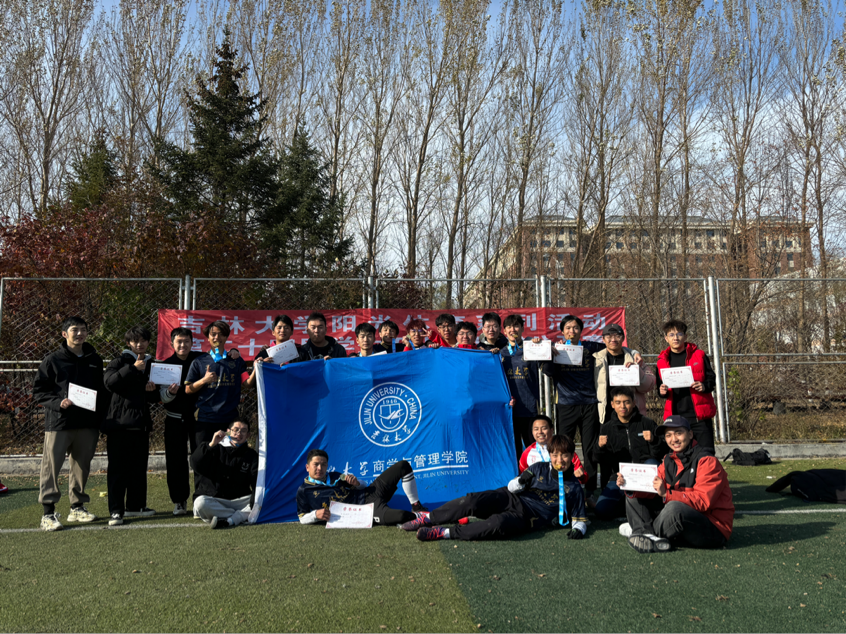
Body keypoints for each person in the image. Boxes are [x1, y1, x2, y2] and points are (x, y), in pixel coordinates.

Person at [404, 434, 588, 542]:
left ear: (572, 456)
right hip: (510, 497)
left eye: (564, 455)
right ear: (550, 455)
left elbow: (580, 519)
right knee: (472, 500)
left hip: (526, 517)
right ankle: (428, 518)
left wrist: (579, 529)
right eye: (555, 455)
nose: (559, 460)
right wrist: (521, 481)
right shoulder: (539, 467)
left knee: (496, 524)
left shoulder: (574, 488)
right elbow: (512, 487)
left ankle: (443, 532)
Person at [32, 316, 106, 531]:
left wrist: (101, 419)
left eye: (83, 329)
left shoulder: (95, 359)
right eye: (75, 330)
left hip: (87, 423)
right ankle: (48, 513)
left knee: (81, 466)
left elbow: (101, 391)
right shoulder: (52, 360)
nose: (79, 333)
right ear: (64, 334)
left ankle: (77, 507)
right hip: (60, 422)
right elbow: (39, 391)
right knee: (51, 466)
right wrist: (58, 403)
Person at [618, 416, 734, 553]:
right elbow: (651, 487)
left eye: (678, 433)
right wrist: (630, 485)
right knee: (633, 495)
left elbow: (703, 501)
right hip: (681, 520)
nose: (674, 439)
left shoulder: (707, 461)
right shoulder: (668, 459)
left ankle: (641, 531)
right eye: (668, 435)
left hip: (713, 527)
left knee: (674, 508)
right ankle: (645, 533)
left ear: (690, 434)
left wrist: (667, 494)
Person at [185, 320, 249, 504]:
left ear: (226, 337)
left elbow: (247, 382)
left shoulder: (236, 360)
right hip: (205, 419)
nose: (216, 337)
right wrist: (204, 380)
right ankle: (200, 498)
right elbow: (188, 389)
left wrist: (260, 365)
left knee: (230, 459)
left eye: (220, 334)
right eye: (213, 334)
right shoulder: (199, 362)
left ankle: (230, 497)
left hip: (229, 420)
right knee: (202, 458)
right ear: (207, 337)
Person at [102, 326, 160, 526]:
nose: (139, 344)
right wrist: (133, 368)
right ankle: (116, 511)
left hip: (140, 425)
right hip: (119, 425)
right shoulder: (118, 362)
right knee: (118, 470)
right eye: (135, 341)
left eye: (143, 340)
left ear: (148, 342)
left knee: (138, 468)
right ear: (128, 343)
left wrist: (152, 391)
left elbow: (153, 397)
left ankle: (136, 506)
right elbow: (109, 383)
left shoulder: (152, 364)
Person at [296, 449, 428, 525]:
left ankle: (417, 506)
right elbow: (302, 518)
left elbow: (363, 485)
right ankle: (427, 517)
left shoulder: (335, 475)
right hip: (364, 511)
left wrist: (357, 483)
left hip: (370, 493)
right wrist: (315, 515)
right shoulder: (304, 490)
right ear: (307, 467)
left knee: (403, 466)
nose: (320, 468)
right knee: (401, 516)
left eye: (323, 464)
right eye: (316, 464)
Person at [593, 387, 664, 521]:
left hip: (644, 474)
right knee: (601, 510)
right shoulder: (607, 428)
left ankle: (651, 505)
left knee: (652, 463)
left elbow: (661, 454)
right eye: (618, 402)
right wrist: (599, 447)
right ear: (612, 404)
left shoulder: (647, 423)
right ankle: (631, 508)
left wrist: (654, 441)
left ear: (634, 403)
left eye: (626, 402)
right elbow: (598, 459)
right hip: (621, 477)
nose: (623, 406)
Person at [158, 327, 202, 514]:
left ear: (192, 343)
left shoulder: (201, 360)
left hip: (200, 419)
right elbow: (162, 397)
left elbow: (221, 357)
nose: (183, 345)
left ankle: (202, 499)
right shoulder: (166, 365)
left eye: (186, 341)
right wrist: (170, 393)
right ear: (172, 343)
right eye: (179, 341)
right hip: (175, 419)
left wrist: (233, 352)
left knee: (201, 458)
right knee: (176, 460)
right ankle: (179, 500)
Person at [656, 319, 717, 451]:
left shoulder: (699, 355)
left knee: (706, 453)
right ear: (666, 338)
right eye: (671, 335)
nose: (675, 338)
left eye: (679, 334)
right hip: (675, 416)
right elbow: (660, 388)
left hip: (699, 415)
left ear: (685, 336)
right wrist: (662, 391)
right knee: (679, 455)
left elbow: (711, 379)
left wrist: (704, 386)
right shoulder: (661, 361)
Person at [191, 419, 258, 529]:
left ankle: (228, 519)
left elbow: (256, 481)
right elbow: (195, 464)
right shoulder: (214, 448)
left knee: (261, 500)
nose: (239, 433)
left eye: (243, 431)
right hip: (216, 499)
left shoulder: (252, 455)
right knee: (200, 503)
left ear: (248, 435)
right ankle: (238, 517)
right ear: (228, 431)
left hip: (240, 500)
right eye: (235, 430)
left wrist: (255, 501)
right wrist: (211, 444)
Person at [499, 315, 543, 459]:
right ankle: (516, 474)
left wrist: (541, 346)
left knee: (532, 448)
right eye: (509, 327)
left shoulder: (532, 349)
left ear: (523, 328)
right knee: (513, 449)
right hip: (508, 409)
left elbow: (548, 367)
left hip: (528, 407)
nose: (513, 330)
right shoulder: (499, 353)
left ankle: (535, 473)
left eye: (516, 326)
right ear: (504, 331)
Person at [594, 323, 655, 425]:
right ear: (603, 339)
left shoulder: (635, 359)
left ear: (623, 338)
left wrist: (636, 370)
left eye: (617, 336)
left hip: (631, 413)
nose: (613, 339)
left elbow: (649, 385)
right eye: (609, 336)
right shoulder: (596, 359)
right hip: (604, 413)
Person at [518, 415, 587, 485]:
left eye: (544, 428)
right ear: (532, 432)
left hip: (563, 489)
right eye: (536, 429)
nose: (540, 432)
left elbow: (584, 478)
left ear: (551, 430)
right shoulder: (527, 453)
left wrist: (581, 476)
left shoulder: (564, 448)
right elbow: (521, 477)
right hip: (537, 490)